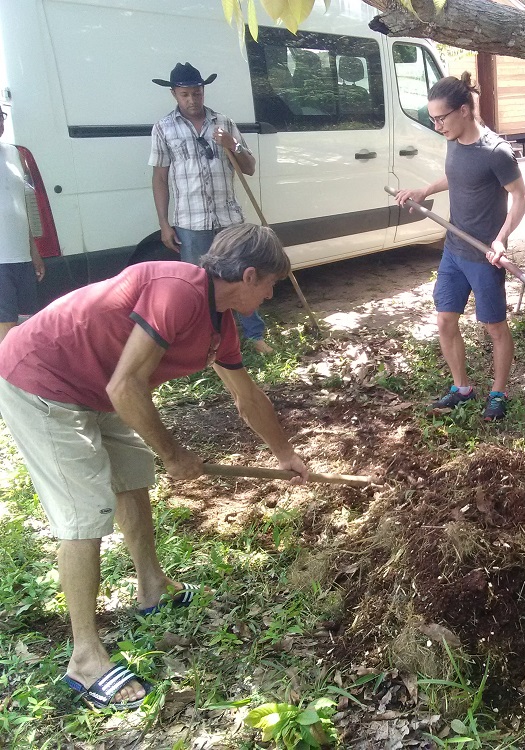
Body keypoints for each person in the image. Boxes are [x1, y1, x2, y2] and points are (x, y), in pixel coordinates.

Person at [0, 224, 309, 710]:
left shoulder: (220, 319)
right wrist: (175, 453)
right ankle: (85, 656)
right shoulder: (179, 292)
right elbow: (127, 386)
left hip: (97, 388)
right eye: (271, 284)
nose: (271, 294)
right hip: (43, 378)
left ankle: (152, 587)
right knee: (85, 511)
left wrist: (285, 454)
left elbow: (245, 395)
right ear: (249, 275)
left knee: (132, 475)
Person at [394, 73, 525, 422]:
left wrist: (501, 240)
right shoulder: (454, 140)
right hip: (454, 248)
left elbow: (521, 198)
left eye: (442, 118)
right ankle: (462, 389)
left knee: (494, 327)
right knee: (444, 320)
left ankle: (498, 394)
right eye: (433, 119)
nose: (438, 126)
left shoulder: (496, 152)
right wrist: (425, 190)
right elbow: (457, 177)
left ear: (465, 111)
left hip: (484, 255)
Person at [150, 62, 274, 355]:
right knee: (197, 285)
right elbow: (159, 178)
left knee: (245, 276)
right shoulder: (163, 128)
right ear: (174, 94)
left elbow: (250, 168)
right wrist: (164, 224)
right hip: (190, 222)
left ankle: (255, 336)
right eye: (185, 95)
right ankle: (205, 342)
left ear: (203, 90)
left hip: (228, 219)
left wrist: (234, 145)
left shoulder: (224, 123)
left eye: (196, 93)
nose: (192, 100)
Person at [0, 106, 45, 344]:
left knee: (27, 322)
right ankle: (5, 380)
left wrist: (33, 252)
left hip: (21, 258)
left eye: (0, 115)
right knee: (5, 327)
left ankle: (22, 379)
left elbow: (21, 207)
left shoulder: (13, 153)